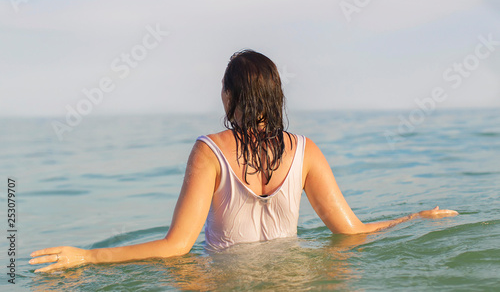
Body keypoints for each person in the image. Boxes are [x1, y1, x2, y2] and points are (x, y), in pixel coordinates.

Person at [30, 50, 458, 273]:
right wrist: (415, 218)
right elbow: (354, 233)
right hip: (295, 277)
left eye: (224, 89)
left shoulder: (209, 151)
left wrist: (88, 257)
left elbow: (176, 248)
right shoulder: (306, 151)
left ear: (231, 97)